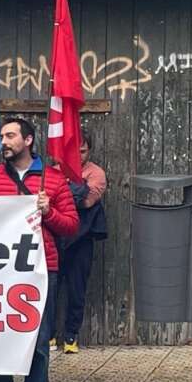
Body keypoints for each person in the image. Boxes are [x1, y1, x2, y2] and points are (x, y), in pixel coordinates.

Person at [0, 117, 78, 382]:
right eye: (2, 136)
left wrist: (49, 212)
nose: (4, 142)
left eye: (10, 136)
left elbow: (71, 225)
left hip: (42, 269)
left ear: (28, 140)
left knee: (39, 338)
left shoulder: (55, 180)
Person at [56, 131, 108, 354]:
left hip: (81, 237)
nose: (78, 154)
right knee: (51, 286)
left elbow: (87, 201)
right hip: (57, 235)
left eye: (83, 150)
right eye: (74, 150)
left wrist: (63, 193)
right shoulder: (56, 170)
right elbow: (48, 197)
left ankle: (70, 336)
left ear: (90, 150)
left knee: (77, 289)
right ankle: (48, 334)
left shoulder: (97, 173)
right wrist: (75, 190)